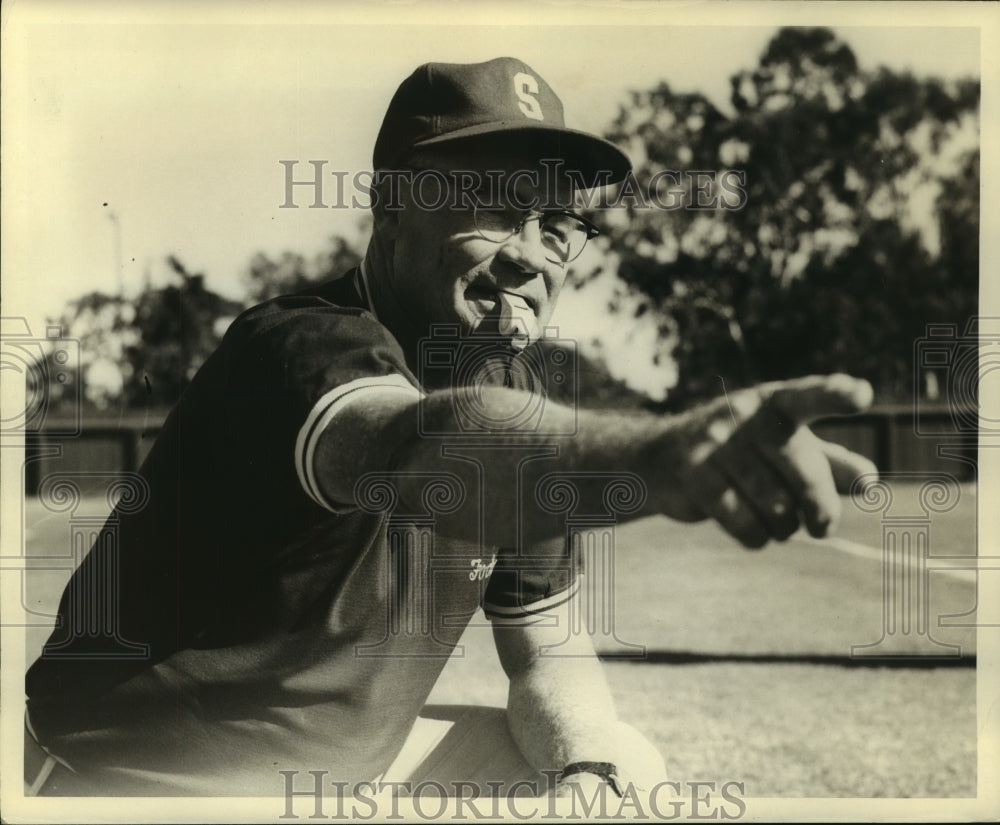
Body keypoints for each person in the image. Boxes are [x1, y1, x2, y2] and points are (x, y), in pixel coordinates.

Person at [24, 56, 876, 800]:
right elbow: (422, 450)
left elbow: (547, 651)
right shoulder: (298, 346)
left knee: (623, 770)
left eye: (558, 226)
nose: (532, 255)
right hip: (138, 781)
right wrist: (662, 455)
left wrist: (583, 768)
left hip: (332, 785)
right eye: (497, 206)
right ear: (391, 204)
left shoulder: (510, 381)